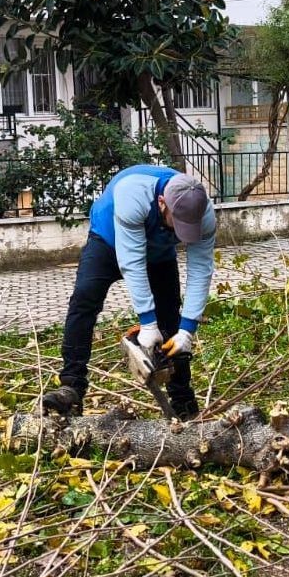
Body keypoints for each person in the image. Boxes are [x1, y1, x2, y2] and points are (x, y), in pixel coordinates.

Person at [41, 165, 216, 419]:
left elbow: (201, 269)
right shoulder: (131, 194)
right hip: (109, 239)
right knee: (84, 299)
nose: (182, 233)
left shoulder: (204, 214)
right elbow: (132, 263)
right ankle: (71, 387)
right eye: (177, 224)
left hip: (159, 253)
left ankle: (182, 400)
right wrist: (147, 323)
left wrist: (187, 330)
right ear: (162, 203)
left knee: (170, 316)